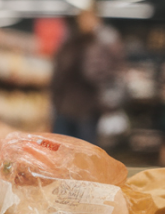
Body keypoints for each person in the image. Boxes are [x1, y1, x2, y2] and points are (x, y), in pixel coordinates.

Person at [50, 8, 124, 144]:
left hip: (88, 110)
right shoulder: (70, 44)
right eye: (83, 19)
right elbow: (58, 75)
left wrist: (108, 106)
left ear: (98, 21)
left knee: (84, 153)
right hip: (65, 108)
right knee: (60, 152)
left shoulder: (102, 44)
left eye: (90, 18)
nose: (86, 22)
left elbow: (102, 75)